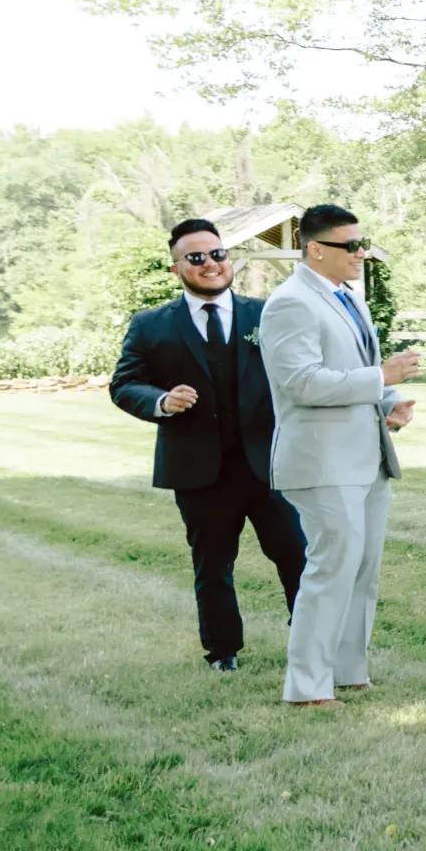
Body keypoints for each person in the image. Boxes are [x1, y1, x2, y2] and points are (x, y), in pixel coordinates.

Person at [109, 217, 307, 670]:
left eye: (218, 254)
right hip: (200, 470)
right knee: (213, 566)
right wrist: (160, 400)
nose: (211, 263)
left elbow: (303, 371)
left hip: (269, 462)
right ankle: (222, 652)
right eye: (196, 257)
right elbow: (124, 384)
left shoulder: (266, 315)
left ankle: (311, 641)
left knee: (297, 554)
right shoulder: (151, 325)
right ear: (176, 267)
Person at [257, 203, 416, 706]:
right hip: (321, 462)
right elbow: (300, 382)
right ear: (316, 250)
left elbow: (354, 375)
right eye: (351, 246)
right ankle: (305, 687)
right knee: (331, 568)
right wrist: (382, 378)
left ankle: (349, 670)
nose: (361, 253)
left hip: (366, 456)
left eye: (361, 243)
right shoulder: (290, 303)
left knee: (363, 567)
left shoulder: (351, 299)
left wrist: (388, 402)